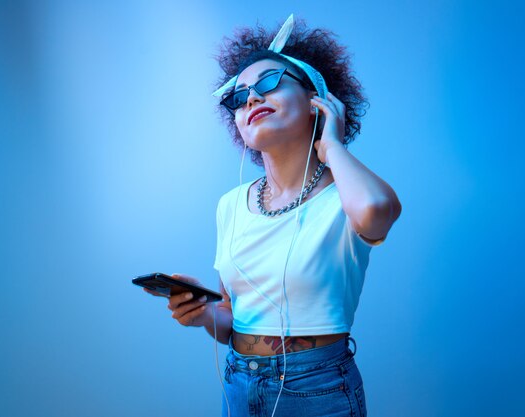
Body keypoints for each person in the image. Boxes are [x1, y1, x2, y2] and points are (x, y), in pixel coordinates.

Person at [143, 15, 401, 417]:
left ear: (317, 98)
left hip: (317, 388)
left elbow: (377, 212)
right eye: (238, 97)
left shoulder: (346, 194)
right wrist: (202, 312)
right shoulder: (230, 204)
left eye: (267, 83)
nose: (250, 99)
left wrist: (331, 144)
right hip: (239, 382)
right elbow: (231, 318)